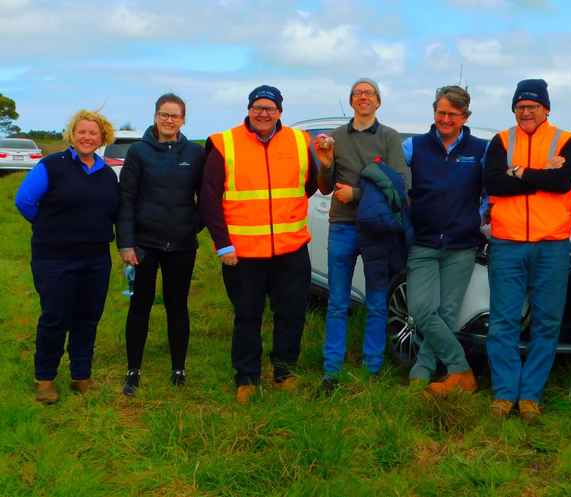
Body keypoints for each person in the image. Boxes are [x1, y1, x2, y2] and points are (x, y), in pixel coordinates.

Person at [200, 85, 319, 404]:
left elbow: (307, 185)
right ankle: (247, 378)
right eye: (258, 107)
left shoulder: (300, 141)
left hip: (291, 249)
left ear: (280, 112)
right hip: (243, 253)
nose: (263, 113)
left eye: (270, 108)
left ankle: (284, 372)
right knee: (247, 316)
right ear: (249, 109)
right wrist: (223, 245)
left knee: (291, 313)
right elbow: (209, 199)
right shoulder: (224, 143)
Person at [482, 79, 571, 420]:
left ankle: (530, 396)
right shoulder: (501, 140)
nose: (526, 112)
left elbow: (563, 182)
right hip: (507, 244)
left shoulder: (566, 140)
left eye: (533, 106)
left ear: (546, 109)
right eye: (520, 106)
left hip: (551, 246)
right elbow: (494, 183)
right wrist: (540, 176)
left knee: (546, 323)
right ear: (514, 109)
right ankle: (504, 393)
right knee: (503, 322)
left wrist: (519, 172)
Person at [14, 110, 120, 404]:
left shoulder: (107, 174)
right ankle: (45, 379)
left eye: (93, 133)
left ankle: (81, 375)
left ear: (102, 138)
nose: (87, 137)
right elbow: (24, 201)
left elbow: (114, 212)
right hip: (54, 258)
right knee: (55, 317)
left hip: (96, 259)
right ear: (72, 135)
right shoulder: (52, 165)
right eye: (81, 131)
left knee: (88, 317)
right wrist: (49, 226)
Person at [314, 78, 410, 391]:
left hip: (378, 229)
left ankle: (372, 368)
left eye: (369, 93)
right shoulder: (337, 137)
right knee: (337, 301)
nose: (363, 96)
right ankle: (331, 370)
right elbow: (325, 187)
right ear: (351, 101)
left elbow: (400, 185)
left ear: (378, 101)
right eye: (357, 93)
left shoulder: (389, 137)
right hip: (342, 225)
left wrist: (355, 194)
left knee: (377, 300)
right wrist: (325, 164)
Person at [116, 93, 205, 396]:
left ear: (183, 119)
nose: (169, 120)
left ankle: (179, 368)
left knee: (177, 306)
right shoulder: (138, 152)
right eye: (164, 114)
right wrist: (126, 243)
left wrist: (191, 226)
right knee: (139, 306)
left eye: (175, 115)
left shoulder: (194, 153)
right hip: (144, 245)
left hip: (181, 245)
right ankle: (133, 370)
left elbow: (206, 198)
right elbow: (126, 200)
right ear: (155, 116)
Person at [401, 85, 487, 395]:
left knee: (447, 313)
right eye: (441, 112)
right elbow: (394, 177)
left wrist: (480, 216)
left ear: (465, 116)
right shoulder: (414, 146)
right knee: (422, 310)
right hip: (423, 242)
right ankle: (461, 368)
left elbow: (491, 190)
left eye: (453, 114)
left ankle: (422, 370)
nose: (446, 119)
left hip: (461, 245)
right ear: (434, 112)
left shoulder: (481, 150)